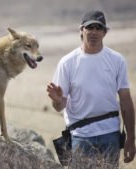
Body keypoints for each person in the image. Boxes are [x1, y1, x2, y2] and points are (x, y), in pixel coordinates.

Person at [47, 10, 135, 168]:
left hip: (110, 135)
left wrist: (131, 138)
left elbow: (126, 101)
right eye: (89, 27)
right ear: (81, 30)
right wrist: (58, 100)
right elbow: (59, 106)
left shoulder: (117, 60)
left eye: (98, 28)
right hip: (81, 137)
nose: (94, 32)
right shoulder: (67, 63)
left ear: (105, 32)